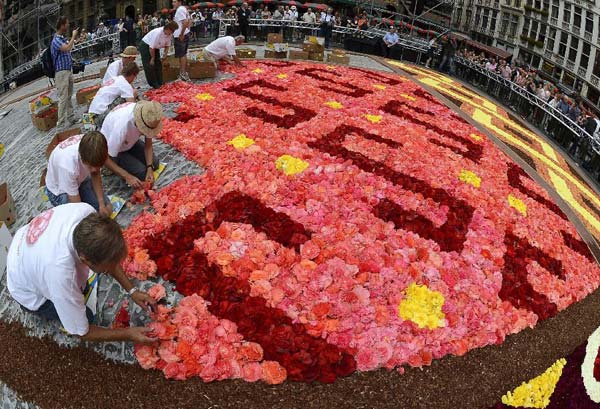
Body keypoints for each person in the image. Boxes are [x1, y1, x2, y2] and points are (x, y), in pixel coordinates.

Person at [7, 203, 157, 343]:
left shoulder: (88, 215)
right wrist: (128, 334)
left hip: (28, 243)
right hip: (24, 287)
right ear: (85, 260)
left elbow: (110, 259)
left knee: (79, 292)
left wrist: (132, 291)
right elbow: (83, 333)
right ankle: (34, 307)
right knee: (85, 319)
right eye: (105, 269)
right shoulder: (60, 275)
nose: (109, 270)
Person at [45, 131, 112, 216]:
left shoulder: (93, 145)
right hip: (60, 191)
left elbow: (95, 173)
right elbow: (77, 206)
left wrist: (101, 204)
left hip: (79, 180)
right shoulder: (67, 166)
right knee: (86, 219)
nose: (94, 170)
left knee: (107, 208)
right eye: (90, 167)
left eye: (97, 166)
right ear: (82, 158)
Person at [100, 100, 162, 189]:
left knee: (154, 164)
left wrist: (149, 167)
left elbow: (148, 145)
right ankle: (117, 166)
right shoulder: (120, 129)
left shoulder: (147, 115)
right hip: (113, 150)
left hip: (129, 142)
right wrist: (127, 176)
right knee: (142, 173)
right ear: (139, 124)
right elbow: (104, 158)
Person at [89, 62, 139, 128]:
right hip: (100, 118)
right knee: (126, 100)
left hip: (91, 114)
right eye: (135, 77)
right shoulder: (124, 84)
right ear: (133, 74)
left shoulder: (116, 79)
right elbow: (132, 107)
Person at [51, 16, 79, 129]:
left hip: (67, 70)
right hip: (61, 73)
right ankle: (60, 124)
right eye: (67, 24)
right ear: (62, 25)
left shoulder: (61, 38)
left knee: (68, 96)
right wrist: (73, 36)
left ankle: (71, 118)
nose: (68, 25)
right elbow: (67, 48)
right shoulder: (56, 40)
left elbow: (69, 47)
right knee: (63, 98)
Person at [139, 21, 178, 89]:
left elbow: (167, 45)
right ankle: (154, 83)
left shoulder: (170, 34)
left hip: (156, 47)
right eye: (171, 31)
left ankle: (160, 82)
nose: (171, 33)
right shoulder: (158, 33)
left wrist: (165, 55)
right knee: (150, 65)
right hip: (146, 45)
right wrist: (152, 58)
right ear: (167, 29)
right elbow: (151, 48)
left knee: (158, 63)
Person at [173, 0, 192, 82]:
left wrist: (181, 34)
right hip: (184, 33)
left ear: (179, 2)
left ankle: (183, 74)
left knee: (182, 55)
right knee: (183, 54)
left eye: (174, 1)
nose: (173, 3)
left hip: (181, 35)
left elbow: (185, 22)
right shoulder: (184, 9)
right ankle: (183, 73)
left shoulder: (180, 9)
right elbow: (189, 21)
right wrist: (188, 30)